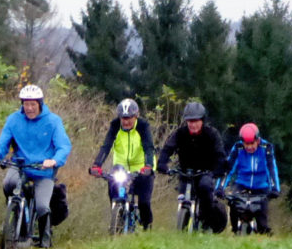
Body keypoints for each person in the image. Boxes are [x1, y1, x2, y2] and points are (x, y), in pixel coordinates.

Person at [0, 84, 72, 248]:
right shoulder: (13, 120)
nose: (30, 108)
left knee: (41, 206)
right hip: (20, 165)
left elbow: (63, 146)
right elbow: (3, 142)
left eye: (33, 104)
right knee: (9, 184)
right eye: (26, 104)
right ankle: (16, 213)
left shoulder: (53, 121)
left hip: (43, 170)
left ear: (40, 103)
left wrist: (54, 161)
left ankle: (45, 240)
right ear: (22, 104)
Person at [156, 102, 227, 232]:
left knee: (205, 188)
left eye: (196, 121)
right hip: (185, 173)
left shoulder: (211, 134)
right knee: (183, 195)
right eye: (189, 121)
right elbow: (167, 149)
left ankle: (206, 222)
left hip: (205, 173)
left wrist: (217, 171)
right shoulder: (180, 133)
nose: (192, 124)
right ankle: (183, 223)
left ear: (202, 120)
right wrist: (162, 164)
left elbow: (220, 155)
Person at [89, 98, 155, 230]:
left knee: (144, 202)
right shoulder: (115, 126)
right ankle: (117, 213)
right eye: (123, 118)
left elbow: (149, 147)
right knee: (113, 185)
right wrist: (97, 165)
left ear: (136, 116)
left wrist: (148, 166)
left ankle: (147, 225)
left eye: (129, 118)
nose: (125, 121)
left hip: (142, 167)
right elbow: (106, 146)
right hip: (121, 167)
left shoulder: (143, 126)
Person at [215, 123, 280, 234]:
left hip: (261, 186)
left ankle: (263, 232)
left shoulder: (266, 148)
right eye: (246, 143)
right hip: (241, 184)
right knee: (233, 204)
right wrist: (220, 187)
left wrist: (274, 188)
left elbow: (271, 169)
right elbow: (228, 169)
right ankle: (235, 230)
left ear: (258, 140)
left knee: (262, 222)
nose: (249, 147)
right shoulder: (238, 148)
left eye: (252, 143)